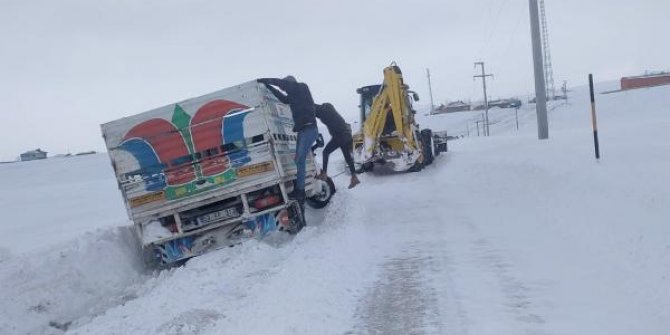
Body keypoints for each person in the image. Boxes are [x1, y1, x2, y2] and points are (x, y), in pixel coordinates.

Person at [257, 76, 318, 203]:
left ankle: (300, 191)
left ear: (290, 83)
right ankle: (299, 189)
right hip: (303, 131)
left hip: (309, 129)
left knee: (300, 160)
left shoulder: (302, 87)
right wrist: (269, 87)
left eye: (284, 87)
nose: (284, 89)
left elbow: (285, 85)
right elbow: (283, 99)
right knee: (298, 160)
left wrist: (267, 80)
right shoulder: (293, 96)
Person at [314, 103, 360, 189]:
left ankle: (324, 174)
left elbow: (315, 113)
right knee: (347, 156)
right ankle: (354, 177)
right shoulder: (327, 107)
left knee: (325, 152)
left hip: (340, 135)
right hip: (346, 134)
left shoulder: (323, 114)